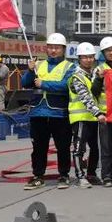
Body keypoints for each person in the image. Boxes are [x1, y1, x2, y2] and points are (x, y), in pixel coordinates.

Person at [21, 33, 75, 190]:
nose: (53, 50)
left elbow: (66, 85)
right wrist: (30, 70)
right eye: (50, 47)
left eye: (57, 48)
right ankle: (38, 176)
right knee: (38, 147)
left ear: (63, 49)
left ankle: (63, 175)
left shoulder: (70, 67)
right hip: (38, 112)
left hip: (59, 112)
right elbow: (25, 83)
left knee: (63, 146)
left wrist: (44, 83)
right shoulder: (38, 64)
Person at [68, 42, 103, 188]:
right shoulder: (76, 77)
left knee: (95, 148)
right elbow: (85, 98)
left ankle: (91, 174)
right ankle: (80, 176)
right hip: (81, 118)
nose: (88, 60)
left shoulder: (94, 74)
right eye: (85, 57)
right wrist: (98, 113)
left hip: (93, 118)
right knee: (79, 148)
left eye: (91, 57)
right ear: (79, 59)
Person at [92, 36, 112, 187]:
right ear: (103, 53)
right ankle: (107, 176)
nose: (111, 53)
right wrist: (98, 79)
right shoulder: (99, 70)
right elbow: (94, 92)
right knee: (106, 148)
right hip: (106, 115)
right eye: (108, 50)